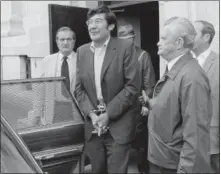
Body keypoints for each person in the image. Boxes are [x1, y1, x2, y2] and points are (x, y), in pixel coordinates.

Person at [141, 17, 212, 173]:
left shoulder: (192, 77)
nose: (158, 43)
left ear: (179, 43)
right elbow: (173, 109)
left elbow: (196, 137)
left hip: (172, 166)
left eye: (164, 39)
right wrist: (153, 104)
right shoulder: (177, 70)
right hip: (162, 161)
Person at [74, 5, 140, 173]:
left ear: (110, 26)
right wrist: (91, 114)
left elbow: (132, 87)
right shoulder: (82, 51)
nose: (92, 26)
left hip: (119, 126)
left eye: (98, 21)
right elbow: (79, 89)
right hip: (93, 126)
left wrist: (108, 114)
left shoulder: (125, 48)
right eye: (90, 22)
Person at [118, 24, 156, 173]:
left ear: (133, 38)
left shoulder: (142, 55)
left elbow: (150, 83)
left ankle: (143, 166)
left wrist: (146, 104)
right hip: (120, 104)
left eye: (129, 38)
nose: (127, 42)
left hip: (137, 104)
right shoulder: (115, 56)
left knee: (140, 137)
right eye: (123, 39)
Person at [192, 20, 220, 173]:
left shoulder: (219, 64)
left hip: (213, 134)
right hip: (187, 135)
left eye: (193, 33)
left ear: (206, 37)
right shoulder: (185, 63)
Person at [41, 26, 77, 94]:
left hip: (75, 103)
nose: (65, 43)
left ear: (74, 41)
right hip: (53, 103)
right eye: (62, 39)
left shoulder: (81, 60)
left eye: (69, 39)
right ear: (57, 42)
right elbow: (40, 87)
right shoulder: (47, 61)